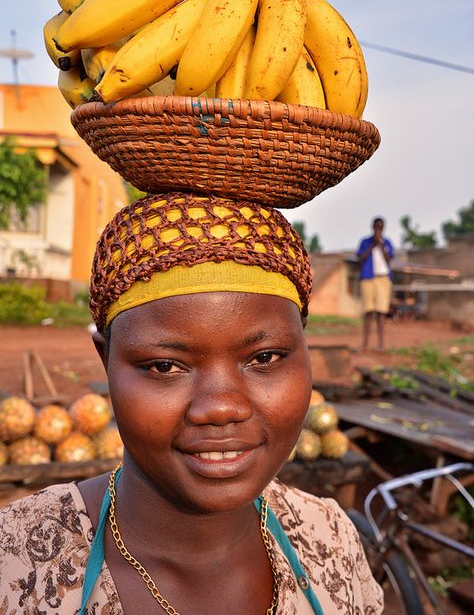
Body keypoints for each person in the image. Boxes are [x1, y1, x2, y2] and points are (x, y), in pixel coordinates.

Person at [0, 192, 383, 614]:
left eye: (264, 358)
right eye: (165, 366)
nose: (221, 408)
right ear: (105, 358)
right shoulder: (17, 564)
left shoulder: (331, 540)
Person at [356, 217, 395, 351]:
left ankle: (381, 345)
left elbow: (389, 260)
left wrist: (381, 245)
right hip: (368, 278)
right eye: (377, 227)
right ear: (373, 227)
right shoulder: (365, 242)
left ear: (383, 228)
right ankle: (365, 344)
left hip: (383, 279)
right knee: (368, 312)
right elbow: (360, 259)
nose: (379, 229)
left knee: (381, 312)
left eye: (381, 227)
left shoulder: (387, 243)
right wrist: (373, 244)